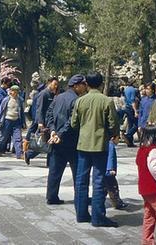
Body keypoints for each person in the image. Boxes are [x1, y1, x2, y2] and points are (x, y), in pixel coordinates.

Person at [71, 71, 120, 227]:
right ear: (100, 83)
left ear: (86, 83)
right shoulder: (106, 101)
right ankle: (98, 217)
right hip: (100, 145)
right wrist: (113, 134)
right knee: (98, 181)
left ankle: (81, 214)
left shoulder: (80, 101)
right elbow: (113, 124)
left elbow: (74, 124)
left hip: (83, 144)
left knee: (81, 180)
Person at [45, 75, 86, 205]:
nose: (84, 87)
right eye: (83, 85)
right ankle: (79, 197)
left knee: (54, 171)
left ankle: (51, 196)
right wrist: (59, 134)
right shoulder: (76, 100)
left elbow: (49, 115)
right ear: (76, 86)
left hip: (56, 140)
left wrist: (53, 131)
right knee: (77, 172)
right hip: (72, 141)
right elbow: (72, 122)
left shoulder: (58, 97)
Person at [24, 77, 58, 165]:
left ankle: (50, 162)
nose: (55, 86)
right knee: (43, 142)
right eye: (54, 84)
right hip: (44, 122)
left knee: (49, 142)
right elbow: (39, 109)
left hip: (50, 121)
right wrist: (40, 122)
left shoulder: (52, 94)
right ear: (49, 83)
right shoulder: (44, 94)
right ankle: (29, 154)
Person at [0, 85, 25, 158]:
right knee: (3, 137)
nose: (15, 93)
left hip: (16, 120)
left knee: (17, 137)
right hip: (7, 120)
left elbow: (22, 112)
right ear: (11, 91)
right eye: (14, 91)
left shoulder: (20, 100)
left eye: (17, 91)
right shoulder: (6, 100)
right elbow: (1, 110)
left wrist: (23, 122)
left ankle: (19, 154)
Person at [104, 136, 128, 210]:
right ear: (113, 138)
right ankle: (117, 203)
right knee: (113, 187)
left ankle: (115, 202)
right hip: (109, 172)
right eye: (118, 138)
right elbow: (110, 157)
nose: (119, 140)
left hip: (105, 171)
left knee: (105, 188)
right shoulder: (111, 145)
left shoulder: (106, 144)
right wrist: (110, 168)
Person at [117, 83, 138, 147]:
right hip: (132, 108)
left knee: (130, 124)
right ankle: (128, 135)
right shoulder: (133, 90)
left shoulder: (126, 89)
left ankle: (130, 142)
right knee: (137, 124)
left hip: (127, 107)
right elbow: (133, 101)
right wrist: (135, 111)